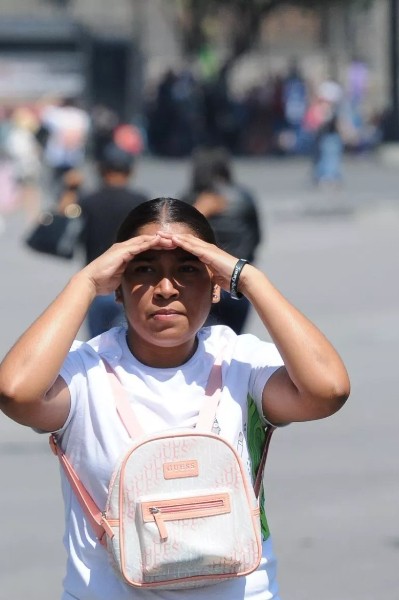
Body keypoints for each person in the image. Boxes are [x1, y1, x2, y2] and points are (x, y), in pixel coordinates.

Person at [0, 197, 350, 600]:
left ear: (216, 286)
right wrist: (85, 283)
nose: (166, 289)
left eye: (187, 270)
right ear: (118, 286)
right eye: (144, 270)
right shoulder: (84, 370)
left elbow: (328, 390)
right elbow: (16, 392)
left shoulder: (241, 360)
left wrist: (247, 277)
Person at [58, 143, 148, 337]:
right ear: (130, 170)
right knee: (134, 348)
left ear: (100, 170)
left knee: (97, 348)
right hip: (133, 285)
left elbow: (63, 219)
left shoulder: (89, 200)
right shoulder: (141, 201)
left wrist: (71, 188)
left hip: (98, 284)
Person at [183, 146, 263, 334]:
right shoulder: (244, 196)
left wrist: (199, 210)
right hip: (238, 278)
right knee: (232, 342)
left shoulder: (191, 199)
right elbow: (257, 236)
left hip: (202, 283)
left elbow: (176, 236)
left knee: (202, 343)